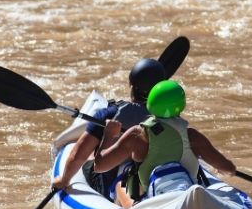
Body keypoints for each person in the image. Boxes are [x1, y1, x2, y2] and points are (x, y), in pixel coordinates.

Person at [93, 80, 236, 208]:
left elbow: (99, 166)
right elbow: (228, 168)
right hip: (187, 199)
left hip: (155, 203)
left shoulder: (136, 135)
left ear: (150, 104)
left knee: (120, 184)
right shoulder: (192, 136)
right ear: (181, 105)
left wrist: (108, 135)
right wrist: (222, 168)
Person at [51, 58, 167, 198]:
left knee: (89, 158)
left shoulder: (110, 115)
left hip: (113, 181)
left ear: (131, 86)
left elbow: (77, 156)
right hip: (156, 178)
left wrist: (64, 180)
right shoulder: (169, 116)